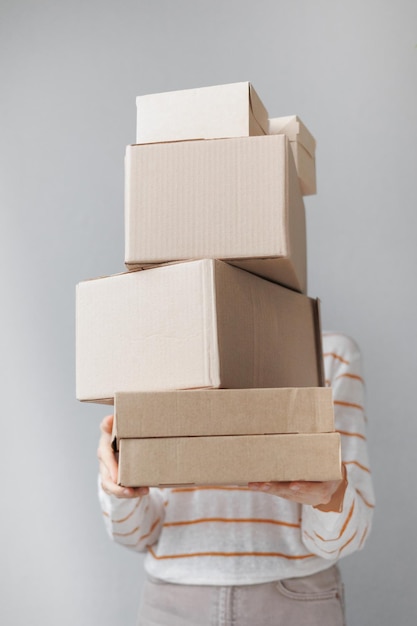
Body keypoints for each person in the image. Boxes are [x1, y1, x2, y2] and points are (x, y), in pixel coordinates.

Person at [98, 332, 375, 625]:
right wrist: (120, 485)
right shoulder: (149, 353)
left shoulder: (329, 353)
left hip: (295, 599)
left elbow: (347, 538)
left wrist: (330, 496)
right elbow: (136, 535)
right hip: (173, 603)